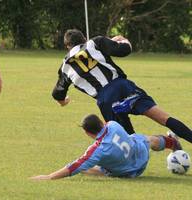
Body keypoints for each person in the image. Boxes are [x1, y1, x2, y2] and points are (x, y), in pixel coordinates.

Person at [52, 29, 192, 143]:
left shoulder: (65, 67)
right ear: (84, 38)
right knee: (164, 118)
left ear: (67, 46)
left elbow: (58, 95)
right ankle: (171, 141)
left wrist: (64, 101)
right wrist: (123, 40)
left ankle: (152, 152)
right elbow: (124, 50)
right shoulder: (94, 42)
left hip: (106, 101)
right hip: (123, 87)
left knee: (128, 141)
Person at [30, 114, 182, 180]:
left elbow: (74, 167)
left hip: (130, 173)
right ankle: (171, 142)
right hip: (141, 155)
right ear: (101, 122)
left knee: (85, 168)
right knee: (144, 139)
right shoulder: (113, 124)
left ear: (87, 133)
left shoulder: (98, 150)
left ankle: (109, 170)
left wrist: (49, 177)